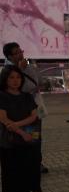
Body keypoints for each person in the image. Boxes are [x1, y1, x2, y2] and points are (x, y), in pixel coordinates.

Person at [0, 66, 42, 192]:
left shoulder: (26, 96)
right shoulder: (2, 96)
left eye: (18, 77)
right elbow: (4, 119)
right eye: (11, 77)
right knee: (13, 169)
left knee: (28, 166)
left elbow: (33, 115)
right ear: (5, 79)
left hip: (28, 138)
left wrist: (17, 126)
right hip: (10, 141)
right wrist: (21, 132)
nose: (15, 81)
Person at [2, 42, 49, 173]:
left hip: (34, 108)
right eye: (16, 52)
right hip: (19, 112)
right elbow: (15, 88)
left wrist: (27, 68)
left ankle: (35, 162)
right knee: (19, 139)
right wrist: (20, 70)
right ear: (9, 57)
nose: (20, 54)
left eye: (20, 50)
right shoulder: (8, 70)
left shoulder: (26, 65)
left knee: (35, 137)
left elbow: (39, 80)